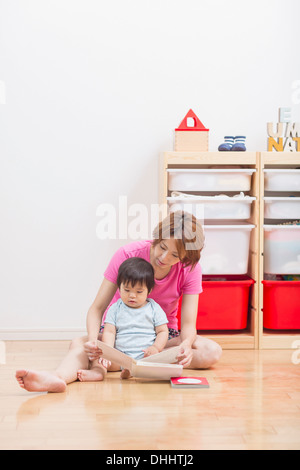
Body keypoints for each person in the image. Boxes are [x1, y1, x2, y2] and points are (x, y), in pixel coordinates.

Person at [16, 211, 222, 393]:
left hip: (161, 339)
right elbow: (97, 309)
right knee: (79, 343)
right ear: (158, 236)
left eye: (175, 255)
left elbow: (187, 325)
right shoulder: (127, 254)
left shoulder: (190, 269)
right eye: (162, 246)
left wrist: (185, 345)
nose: (164, 257)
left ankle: (131, 364)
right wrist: (95, 343)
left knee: (211, 351)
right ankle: (58, 378)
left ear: (186, 258)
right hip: (118, 337)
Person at [78, 257, 169, 381]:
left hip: (146, 356)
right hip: (121, 357)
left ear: (149, 291)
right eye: (126, 290)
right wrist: (108, 352)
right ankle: (98, 372)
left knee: (164, 359)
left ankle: (134, 370)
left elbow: (163, 331)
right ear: (119, 287)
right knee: (102, 361)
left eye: (139, 291)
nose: (132, 295)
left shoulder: (153, 308)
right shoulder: (115, 308)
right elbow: (109, 332)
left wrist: (156, 348)